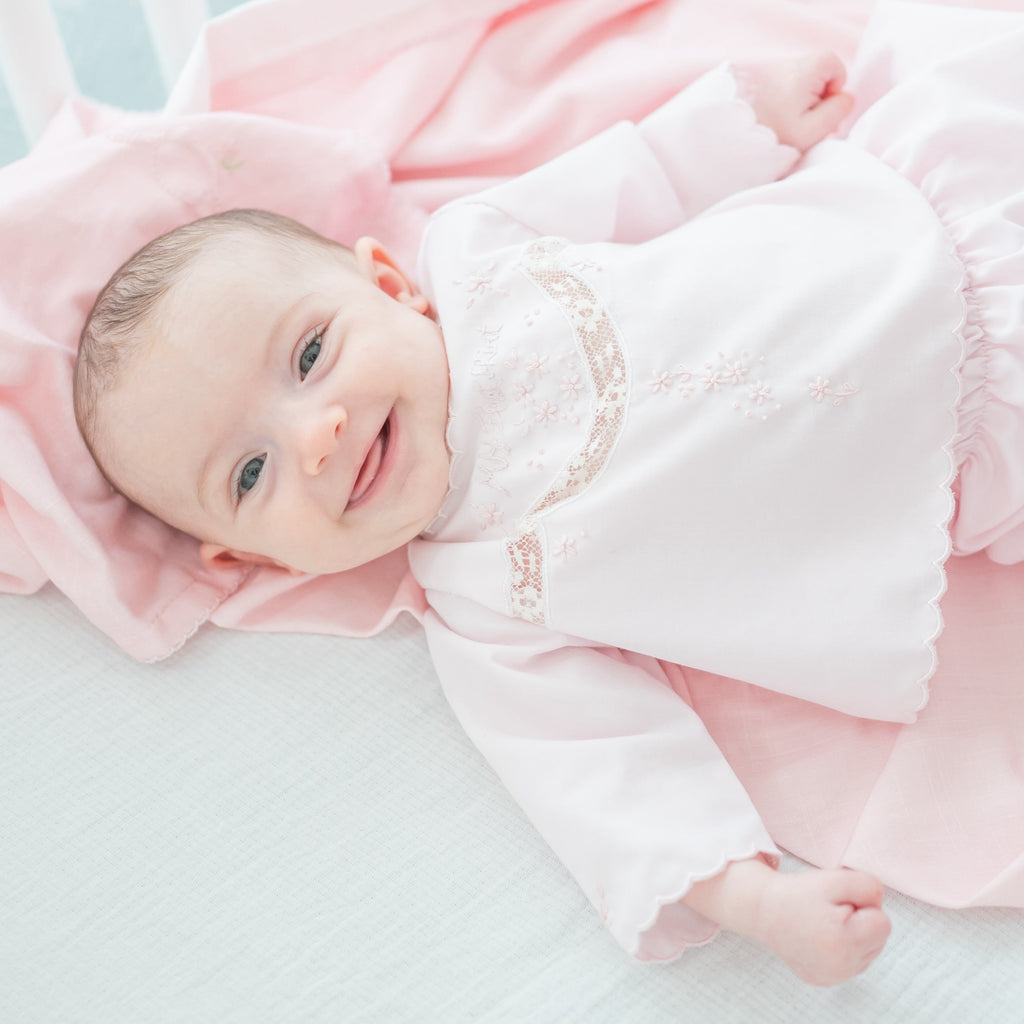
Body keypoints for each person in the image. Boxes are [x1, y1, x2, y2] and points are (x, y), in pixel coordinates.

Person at [72, 10, 1024, 985]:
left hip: (921, 215)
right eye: (250, 473)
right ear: (255, 560)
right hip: (976, 451)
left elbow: (638, 174)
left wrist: (749, 118)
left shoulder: (479, 251)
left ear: (390, 286)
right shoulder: (487, 610)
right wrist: (757, 897)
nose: (314, 436)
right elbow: (609, 771)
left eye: (312, 354)